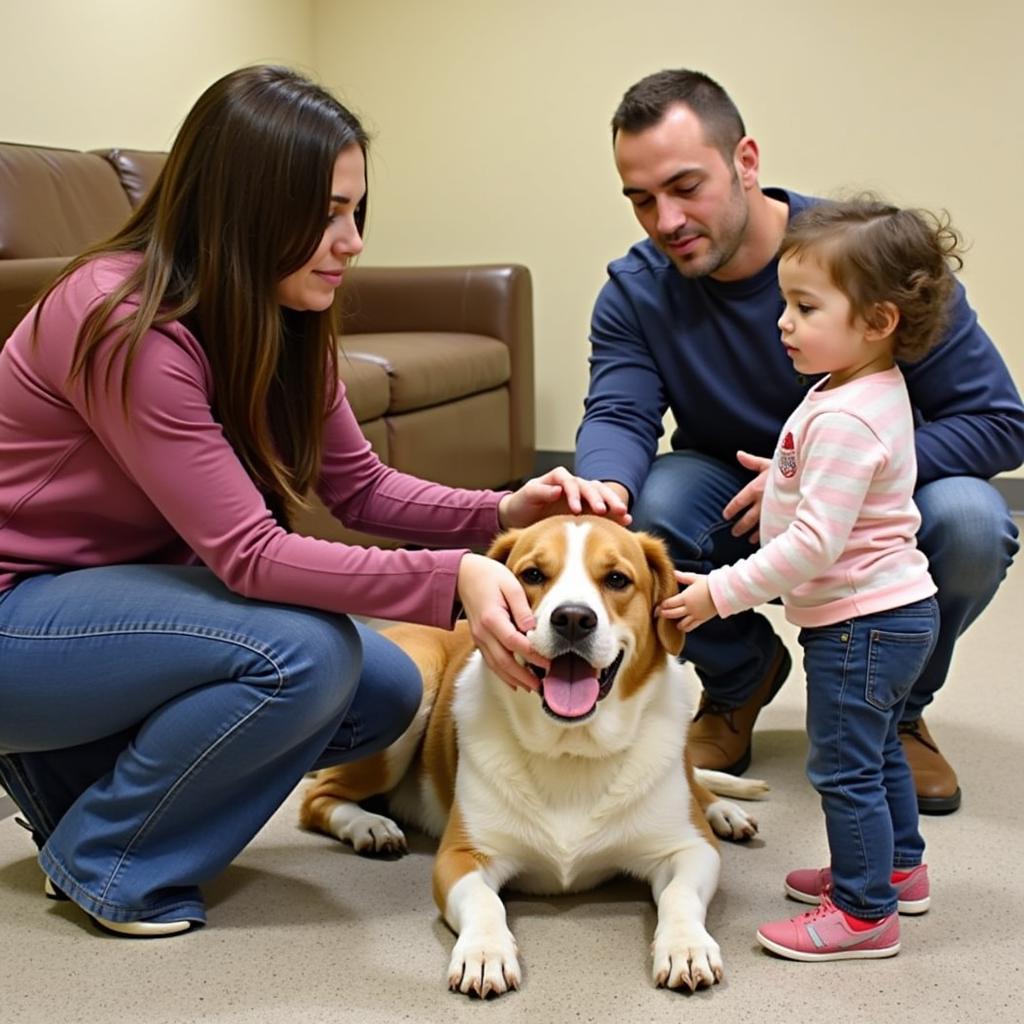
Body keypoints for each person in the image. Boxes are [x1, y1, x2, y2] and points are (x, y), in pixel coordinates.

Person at [0, 65, 628, 939]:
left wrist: (501, 512)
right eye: (328, 212)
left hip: (116, 615)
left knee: (384, 691)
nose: (353, 240)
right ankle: (111, 860)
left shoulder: (279, 316)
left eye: (356, 211)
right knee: (303, 658)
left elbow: (360, 487)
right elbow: (249, 557)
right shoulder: (120, 320)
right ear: (246, 210)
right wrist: (457, 580)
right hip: (17, 619)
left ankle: (66, 780)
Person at [575, 68, 1024, 814]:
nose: (665, 219)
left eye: (687, 187)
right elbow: (619, 415)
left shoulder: (866, 255)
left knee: (974, 521)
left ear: (745, 162)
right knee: (644, 511)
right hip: (727, 484)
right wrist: (601, 494)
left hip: (877, 490)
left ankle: (897, 710)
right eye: (642, 198)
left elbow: (998, 421)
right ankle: (738, 680)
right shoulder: (636, 289)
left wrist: (821, 474)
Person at [661, 197, 952, 961]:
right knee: (881, 747)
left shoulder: (851, 416)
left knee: (843, 763)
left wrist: (717, 593)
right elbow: (826, 499)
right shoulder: (852, 387)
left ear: (878, 320)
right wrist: (788, 482)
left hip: (863, 622)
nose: (783, 322)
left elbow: (815, 545)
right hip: (889, 612)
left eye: (804, 306)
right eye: (785, 304)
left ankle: (863, 914)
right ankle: (898, 870)